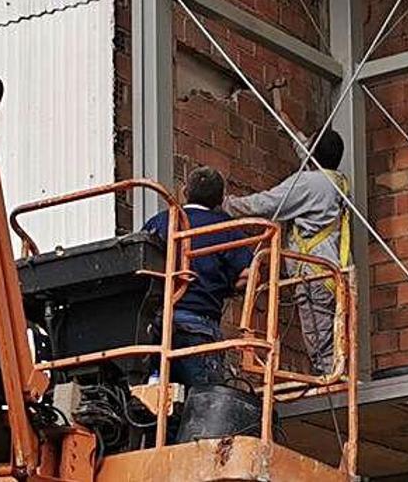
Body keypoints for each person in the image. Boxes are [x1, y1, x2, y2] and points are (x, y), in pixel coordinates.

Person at [223, 129, 350, 376]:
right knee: (333, 339)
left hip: (312, 275)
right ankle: (335, 378)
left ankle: (331, 389)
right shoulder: (338, 181)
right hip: (331, 272)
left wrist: (227, 204)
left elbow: (266, 204)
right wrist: (289, 127)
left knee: (321, 346)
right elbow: (309, 151)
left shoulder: (308, 183)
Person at [143, 166, 253, 387]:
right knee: (205, 404)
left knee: (155, 404)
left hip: (157, 327)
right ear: (221, 198)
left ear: (185, 191)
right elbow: (250, 273)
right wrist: (230, 287)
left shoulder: (161, 221)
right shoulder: (227, 228)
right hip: (199, 328)